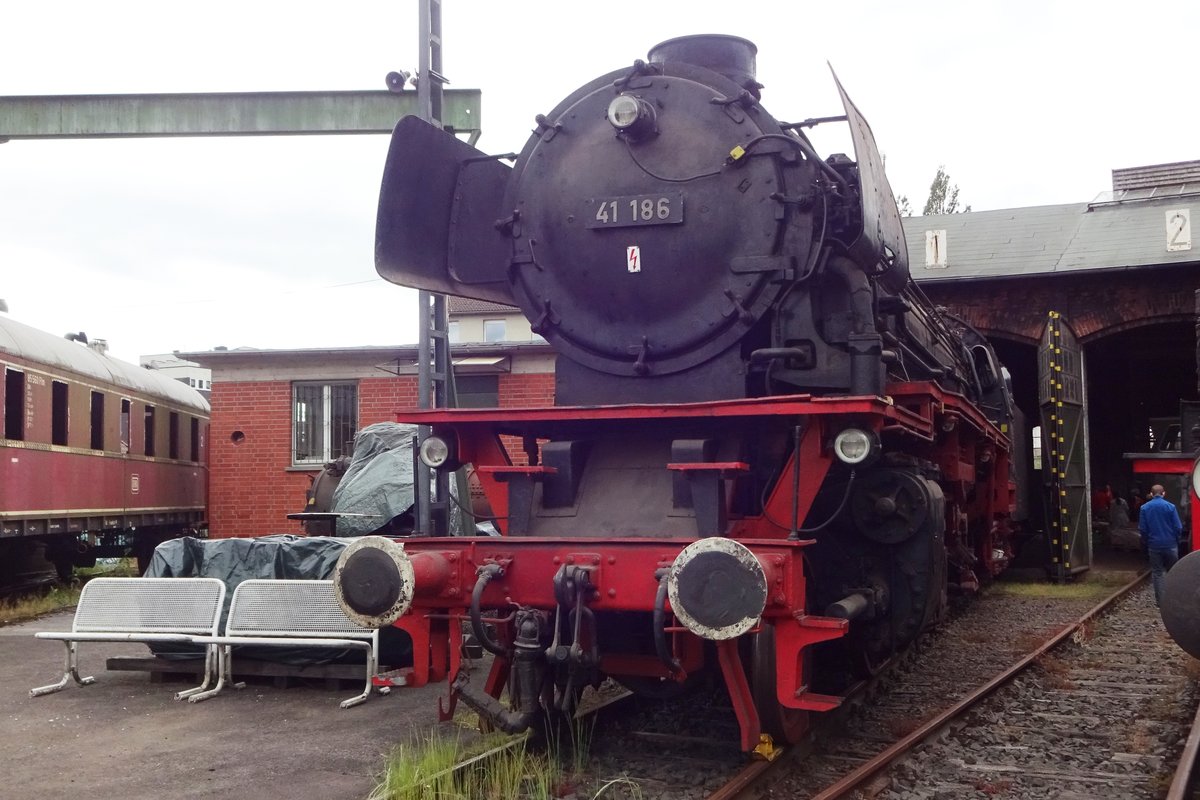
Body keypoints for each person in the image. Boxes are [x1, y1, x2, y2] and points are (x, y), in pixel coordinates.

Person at [1138, 484, 1183, 607]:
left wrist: (1147, 541)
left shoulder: (1144, 508)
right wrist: (1176, 540)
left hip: (1154, 546)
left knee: (1157, 573)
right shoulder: (1171, 507)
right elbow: (1178, 527)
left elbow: (1143, 529)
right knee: (1173, 571)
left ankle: (1161, 602)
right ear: (1164, 493)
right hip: (1171, 545)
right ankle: (1174, 599)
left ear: (1151, 494)